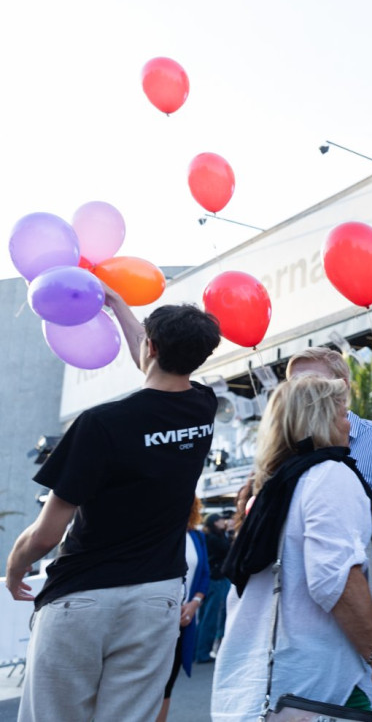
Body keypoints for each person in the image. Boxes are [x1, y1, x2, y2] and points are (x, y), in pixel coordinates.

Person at [5, 289, 221, 722]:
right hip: (156, 599)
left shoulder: (100, 424)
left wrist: (13, 570)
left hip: (83, 597)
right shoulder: (202, 408)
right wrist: (119, 306)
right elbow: (156, 360)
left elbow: (47, 534)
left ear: (152, 347)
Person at [212, 375, 372, 721]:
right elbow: (336, 581)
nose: (349, 423)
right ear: (320, 419)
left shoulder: (276, 487)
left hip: (258, 689)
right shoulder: (330, 475)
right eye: (343, 413)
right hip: (321, 690)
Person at [286, 346, 372, 682]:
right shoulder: (286, 447)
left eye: (314, 384)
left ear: (343, 390)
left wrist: (361, 532)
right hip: (303, 600)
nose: (304, 395)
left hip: (369, 591)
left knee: (370, 686)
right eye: (295, 387)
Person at [157, 498, 210, 722]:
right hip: (154, 619)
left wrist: (194, 603)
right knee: (147, 685)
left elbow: (204, 574)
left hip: (184, 621)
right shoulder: (155, 531)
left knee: (168, 683)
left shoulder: (196, 535)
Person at [196, 511, 232, 663]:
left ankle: (199, 651)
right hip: (216, 579)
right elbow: (228, 550)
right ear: (214, 523)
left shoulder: (206, 537)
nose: (223, 522)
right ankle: (203, 653)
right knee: (211, 616)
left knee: (205, 616)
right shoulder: (215, 538)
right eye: (220, 520)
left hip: (210, 579)